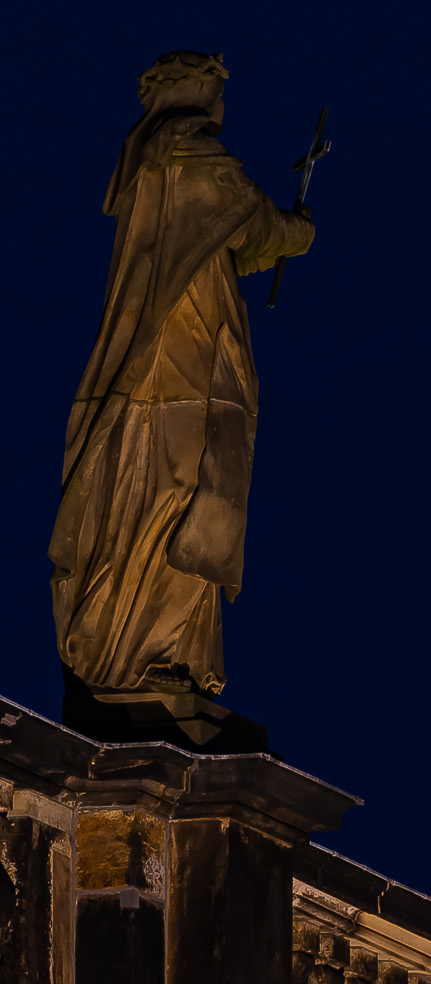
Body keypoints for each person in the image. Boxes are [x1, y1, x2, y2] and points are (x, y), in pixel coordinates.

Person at [50, 51, 314, 699]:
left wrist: (267, 242)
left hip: (153, 347)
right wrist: (301, 231)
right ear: (201, 91)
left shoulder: (146, 168)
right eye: (218, 89)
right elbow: (260, 225)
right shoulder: (195, 159)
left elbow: (224, 244)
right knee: (184, 485)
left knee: (156, 488)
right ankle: (155, 650)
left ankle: (151, 650)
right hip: (186, 350)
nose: (223, 103)